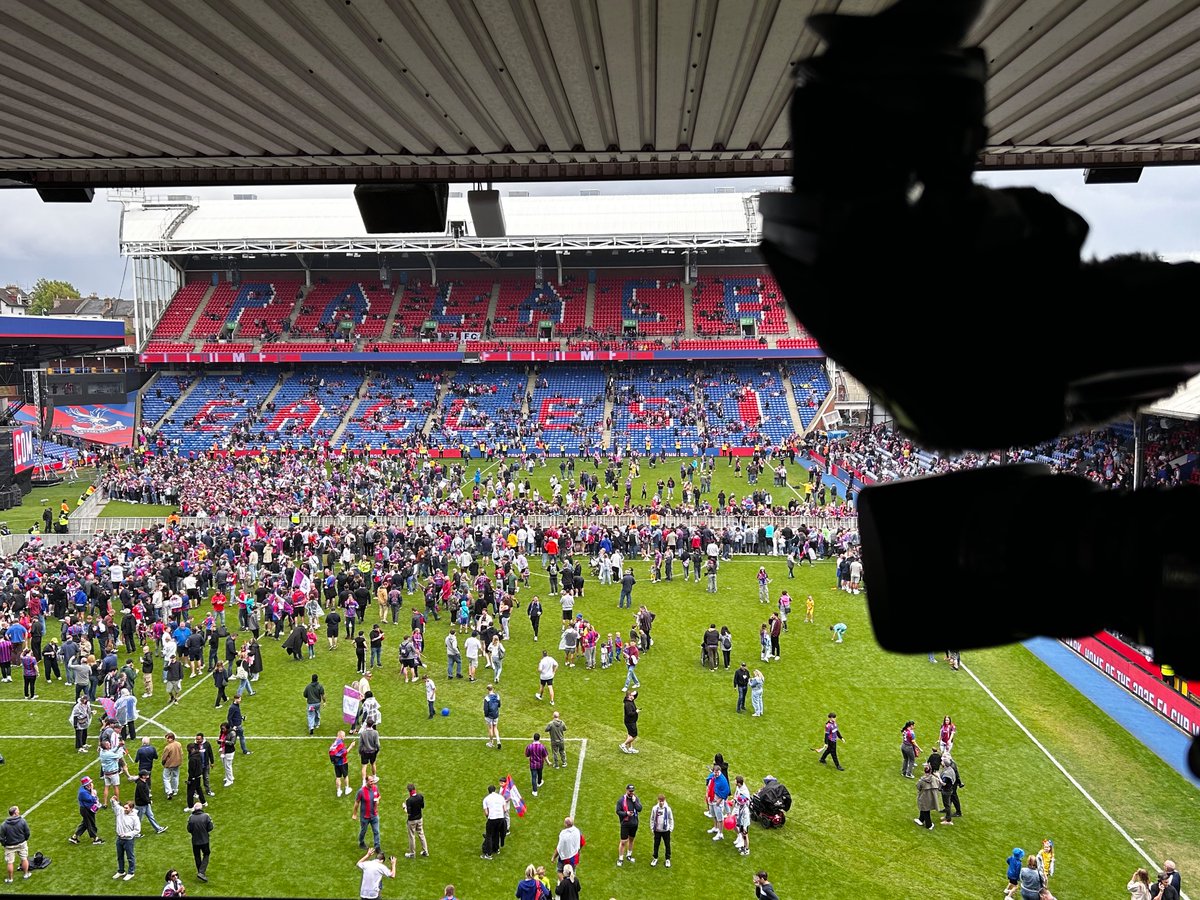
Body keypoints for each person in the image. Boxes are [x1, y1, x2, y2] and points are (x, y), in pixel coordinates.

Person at [111, 797, 141, 881]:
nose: (125, 809)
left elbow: (137, 830)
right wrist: (113, 800)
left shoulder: (135, 818)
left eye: (126, 808)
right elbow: (115, 805)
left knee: (130, 857)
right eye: (124, 807)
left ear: (131, 808)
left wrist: (127, 835)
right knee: (120, 856)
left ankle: (131, 872)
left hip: (128, 840)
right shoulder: (120, 811)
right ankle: (121, 871)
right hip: (119, 839)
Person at [69, 776, 103, 845]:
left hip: (89, 809)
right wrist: (93, 790)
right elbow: (92, 799)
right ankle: (95, 838)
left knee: (85, 824)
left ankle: (74, 837)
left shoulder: (85, 789)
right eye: (89, 783)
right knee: (90, 824)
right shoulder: (83, 792)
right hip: (86, 810)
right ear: (85, 785)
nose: (91, 784)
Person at [1, 805, 31, 883]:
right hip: (21, 844)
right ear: (14, 813)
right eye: (17, 810)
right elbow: (27, 832)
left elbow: (1, 837)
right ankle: (26, 874)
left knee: (10, 862)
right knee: (24, 858)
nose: (19, 812)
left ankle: (10, 879)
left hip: (9, 846)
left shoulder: (4, 825)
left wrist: (5, 844)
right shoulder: (22, 821)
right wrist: (25, 839)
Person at [353, 775, 382, 854]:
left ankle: (377, 847)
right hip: (365, 816)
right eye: (371, 781)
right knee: (363, 830)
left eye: (373, 781)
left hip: (374, 815)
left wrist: (378, 800)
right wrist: (354, 814)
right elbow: (357, 802)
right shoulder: (361, 791)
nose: (372, 782)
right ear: (366, 781)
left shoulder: (375, 788)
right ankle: (361, 842)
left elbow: (379, 796)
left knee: (376, 831)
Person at [185, 802, 213, 883]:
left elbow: (189, 829)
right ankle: (201, 872)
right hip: (205, 840)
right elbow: (210, 827)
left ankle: (200, 872)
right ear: (201, 808)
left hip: (195, 841)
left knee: (197, 856)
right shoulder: (206, 816)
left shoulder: (191, 818)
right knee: (206, 854)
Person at [615, 783, 641, 866]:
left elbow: (639, 809)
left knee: (631, 839)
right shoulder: (621, 800)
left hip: (634, 823)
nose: (631, 793)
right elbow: (618, 811)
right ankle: (620, 858)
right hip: (625, 824)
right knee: (623, 842)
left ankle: (629, 855)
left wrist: (634, 801)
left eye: (632, 791)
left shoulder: (635, 799)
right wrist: (626, 813)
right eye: (630, 791)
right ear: (626, 790)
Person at [704, 763, 730, 840]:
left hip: (717, 801)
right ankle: (715, 828)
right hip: (711, 799)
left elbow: (726, 791)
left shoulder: (722, 780)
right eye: (714, 772)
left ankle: (720, 833)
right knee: (713, 815)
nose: (715, 774)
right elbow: (709, 784)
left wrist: (720, 799)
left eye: (717, 772)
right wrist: (707, 793)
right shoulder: (713, 776)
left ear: (719, 771)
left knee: (720, 818)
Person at [481, 784, 506, 860]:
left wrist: (489, 817)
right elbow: (505, 809)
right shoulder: (501, 797)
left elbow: (486, 813)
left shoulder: (486, 799)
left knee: (489, 836)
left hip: (492, 819)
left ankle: (488, 854)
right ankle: (496, 849)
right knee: (497, 833)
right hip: (501, 818)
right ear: (495, 790)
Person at [649, 793, 673, 868]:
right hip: (657, 830)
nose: (661, 803)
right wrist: (652, 828)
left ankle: (667, 859)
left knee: (667, 845)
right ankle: (655, 858)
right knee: (656, 844)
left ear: (664, 801)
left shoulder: (668, 809)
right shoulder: (654, 808)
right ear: (658, 801)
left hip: (666, 831)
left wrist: (670, 828)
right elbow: (652, 819)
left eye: (662, 801)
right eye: (660, 801)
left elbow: (671, 819)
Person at [404, 782, 427, 859]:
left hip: (412, 821)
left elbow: (409, 813)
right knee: (421, 834)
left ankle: (412, 853)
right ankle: (425, 851)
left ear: (409, 791)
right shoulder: (420, 796)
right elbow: (422, 806)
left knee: (412, 836)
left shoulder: (409, 800)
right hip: (420, 819)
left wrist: (404, 807)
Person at [329, 730, 356, 797]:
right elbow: (344, 753)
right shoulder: (340, 743)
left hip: (336, 763)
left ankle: (339, 791)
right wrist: (351, 746)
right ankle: (347, 788)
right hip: (342, 762)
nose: (344, 737)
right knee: (345, 776)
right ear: (340, 736)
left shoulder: (335, 742)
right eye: (343, 736)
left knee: (338, 777)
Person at [914, 763, 938, 830]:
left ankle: (929, 825)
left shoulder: (922, 780)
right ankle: (921, 819)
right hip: (931, 796)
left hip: (924, 796)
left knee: (926, 810)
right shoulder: (934, 778)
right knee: (925, 808)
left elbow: (918, 786)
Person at [732, 774, 752, 856]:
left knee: (745, 835)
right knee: (742, 834)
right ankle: (743, 846)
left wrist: (743, 826)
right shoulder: (741, 807)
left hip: (744, 823)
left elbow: (745, 818)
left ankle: (747, 849)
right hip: (741, 820)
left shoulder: (745, 809)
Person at [161, 732, 183, 801]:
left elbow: (164, 757)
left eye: (167, 738)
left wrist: (163, 762)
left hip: (169, 765)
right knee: (175, 776)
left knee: (166, 778)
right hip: (177, 764)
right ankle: (175, 790)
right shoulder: (179, 744)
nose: (166, 740)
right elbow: (181, 753)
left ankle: (169, 791)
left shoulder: (168, 747)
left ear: (171, 738)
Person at [525, 732, 548, 797]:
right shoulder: (542, 746)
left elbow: (527, 755)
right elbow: (545, 755)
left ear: (533, 738)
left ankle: (535, 791)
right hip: (540, 764)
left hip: (533, 764)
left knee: (533, 777)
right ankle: (539, 782)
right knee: (540, 773)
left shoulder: (529, 746)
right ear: (539, 738)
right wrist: (548, 762)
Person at [620, 689, 640, 754]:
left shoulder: (630, 700)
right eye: (631, 695)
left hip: (631, 721)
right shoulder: (628, 704)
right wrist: (636, 712)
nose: (632, 696)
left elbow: (636, 695)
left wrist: (635, 692)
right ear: (629, 696)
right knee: (634, 735)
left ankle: (630, 748)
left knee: (630, 734)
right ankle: (624, 745)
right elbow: (629, 713)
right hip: (630, 722)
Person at [483, 684, 502, 749]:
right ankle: (498, 741)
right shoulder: (497, 696)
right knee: (495, 728)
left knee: (490, 729)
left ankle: (491, 743)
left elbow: (486, 709)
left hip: (489, 716)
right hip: (496, 714)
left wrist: (486, 716)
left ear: (487, 690)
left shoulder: (487, 698)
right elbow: (499, 705)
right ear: (492, 688)